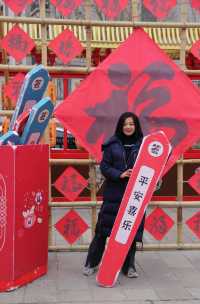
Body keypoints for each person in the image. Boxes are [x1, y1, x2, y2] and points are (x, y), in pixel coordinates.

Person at [83, 112, 145, 278]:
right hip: (114, 194)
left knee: (130, 232)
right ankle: (91, 263)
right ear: (120, 126)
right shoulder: (112, 144)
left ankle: (129, 266)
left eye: (131, 124)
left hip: (134, 196)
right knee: (102, 230)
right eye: (125, 124)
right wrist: (120, 174)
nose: (128, 127)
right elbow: (104, 166)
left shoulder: (145, 145)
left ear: (136, 126)